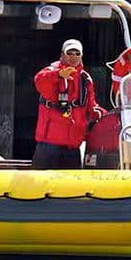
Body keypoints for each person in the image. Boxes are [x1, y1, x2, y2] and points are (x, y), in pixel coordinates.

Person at [32, 39, 104, 169]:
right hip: (49, 146)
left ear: (81, 56)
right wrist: (59, 75)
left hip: (72, 147)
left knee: (70, 189)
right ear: (63, 55)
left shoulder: (85, 79)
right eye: (69, 53)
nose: (73, 56)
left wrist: (106, 115)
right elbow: (39, 80)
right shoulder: (51, 71)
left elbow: (91, 106)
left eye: (77, 53)